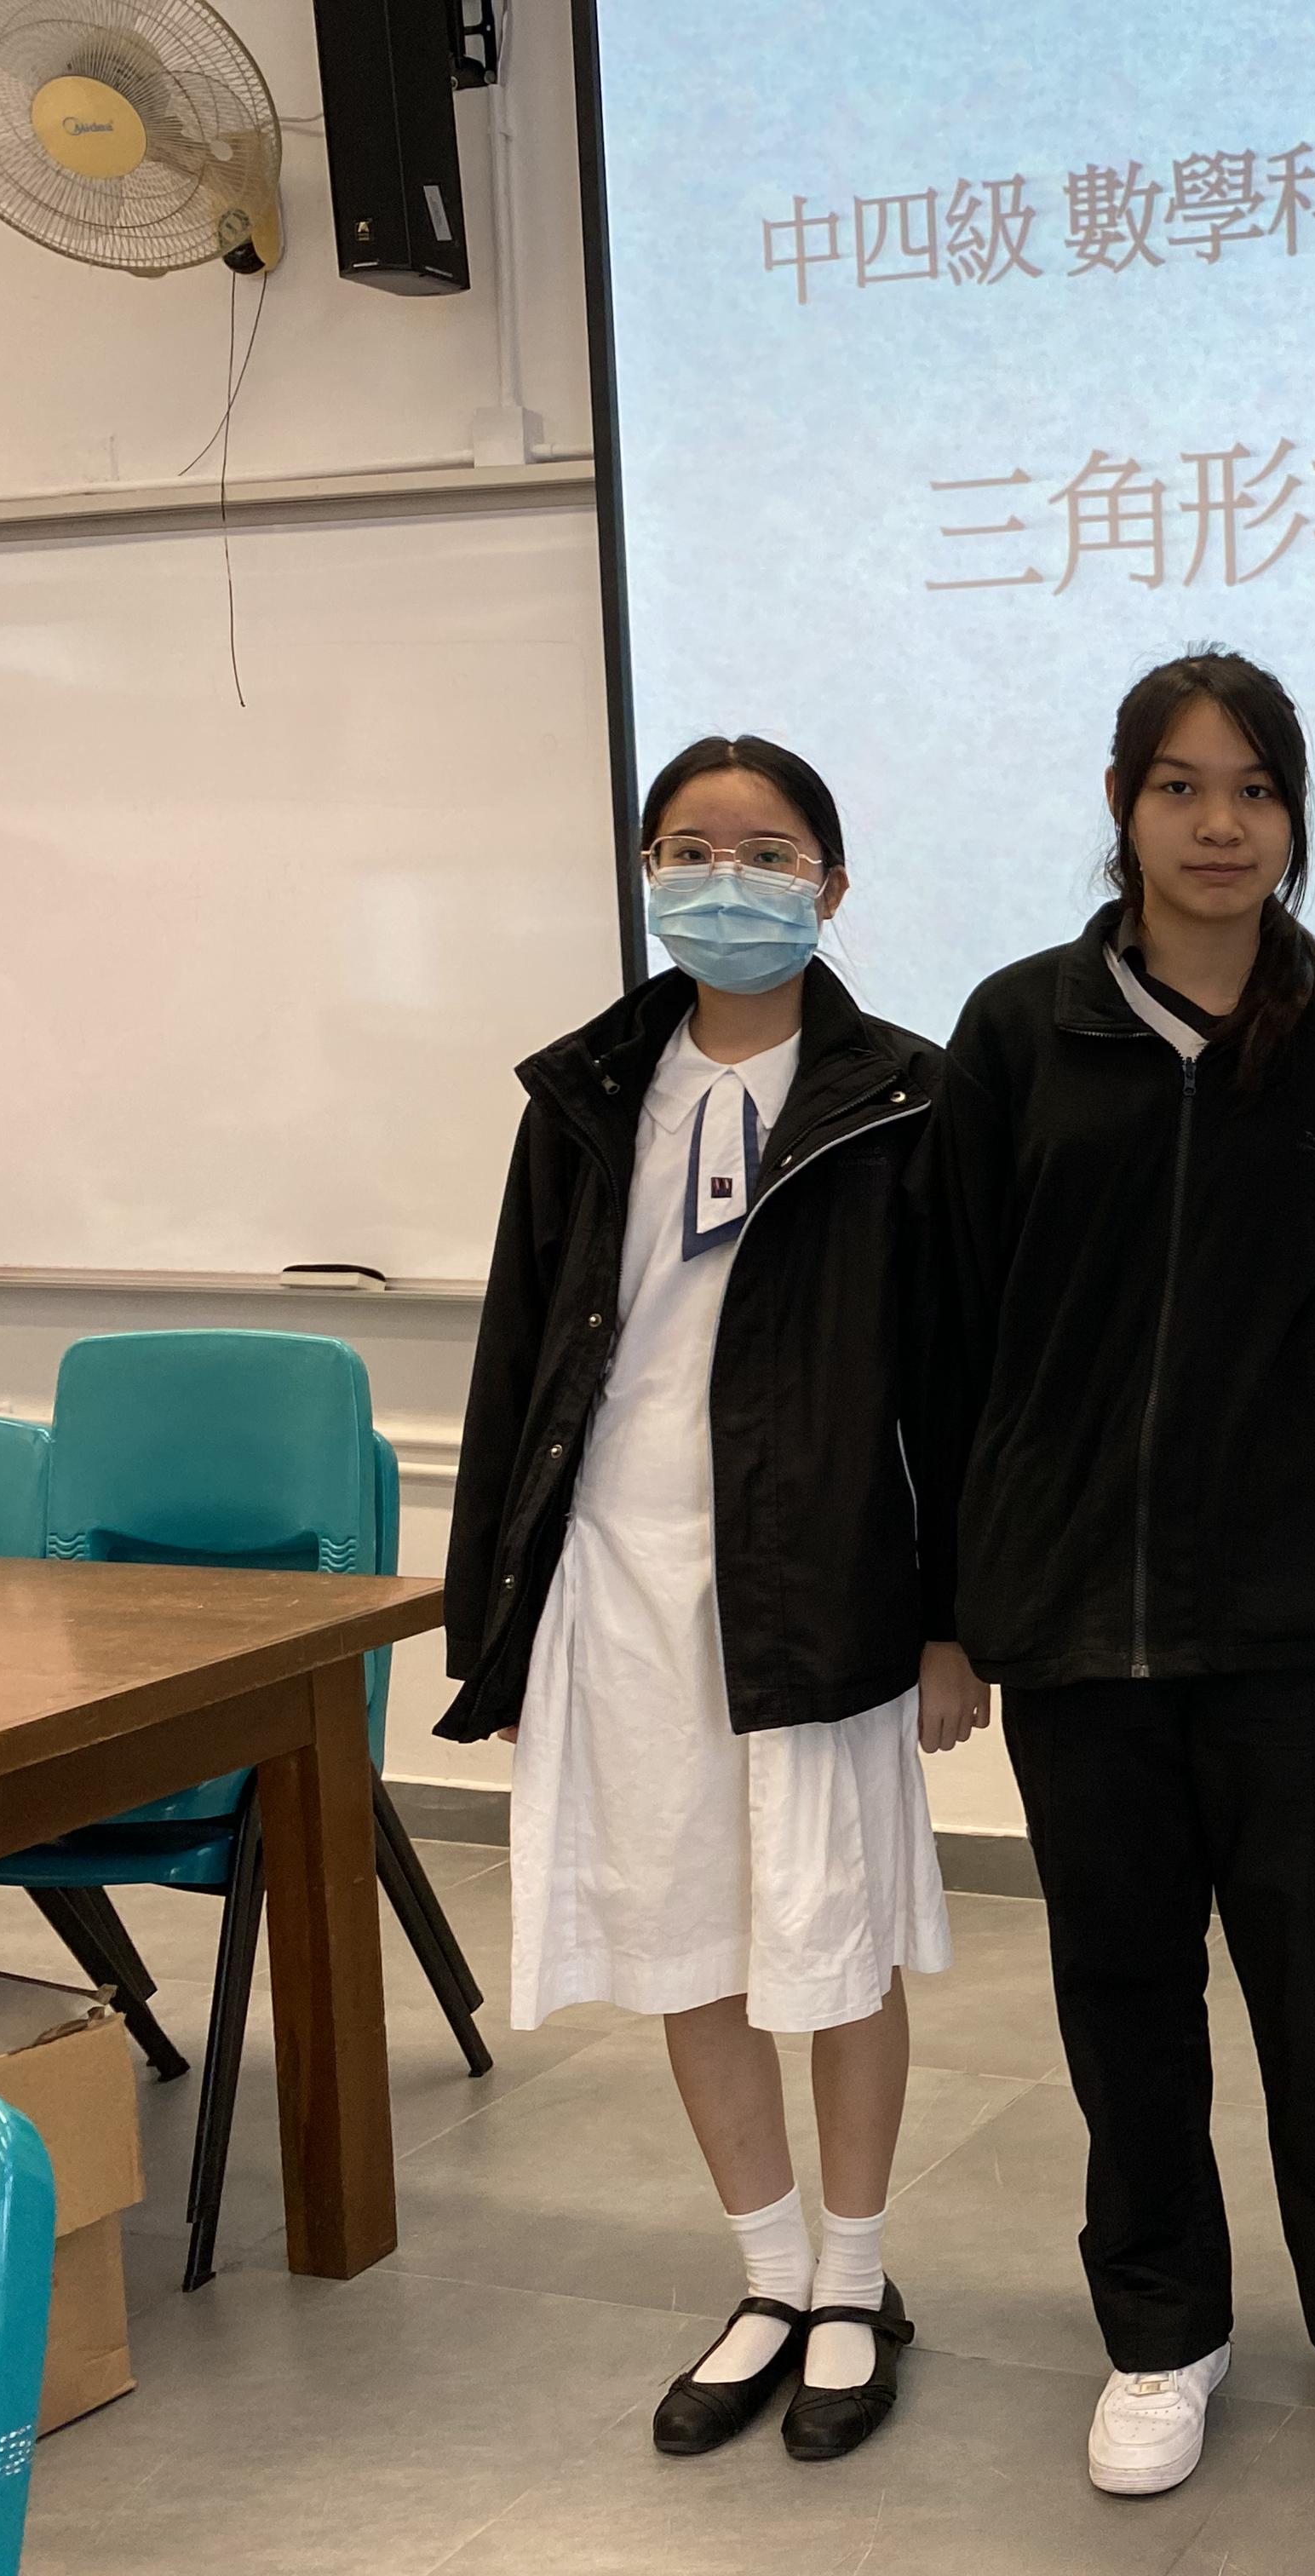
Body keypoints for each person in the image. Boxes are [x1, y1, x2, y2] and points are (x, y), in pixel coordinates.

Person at [904, 650, 1315, 2500]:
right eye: (1181, 787)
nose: (1221, 826)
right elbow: (952, 1332)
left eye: (1256, 790)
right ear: (1123, 805)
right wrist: (948, 1609)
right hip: (1075, 1617)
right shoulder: (1015, 1031)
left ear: (1296, 816)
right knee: (1123, 1999)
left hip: (1300, 1615)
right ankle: (1161, 2330)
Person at [440, 733, 976, 2464]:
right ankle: (768, 2274)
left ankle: (857, 2282)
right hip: (618, 1572)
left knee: (835, 1941)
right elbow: (516, 1361)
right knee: (687, 1934)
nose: (724, 881)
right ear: (648, 873)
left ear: (833, 882)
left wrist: (956, 1620)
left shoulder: (908, 1098)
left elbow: (956, 1383)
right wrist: (496, 1628)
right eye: (690, 849)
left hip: (821, 1586)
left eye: (766, 852)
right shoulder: (585, 1095)